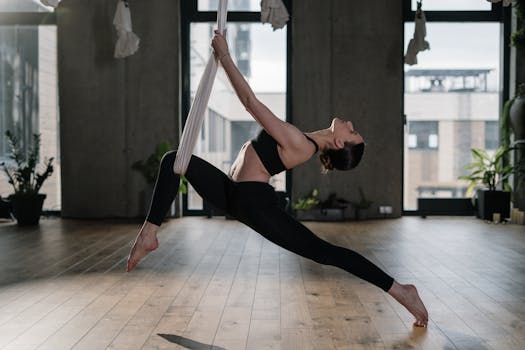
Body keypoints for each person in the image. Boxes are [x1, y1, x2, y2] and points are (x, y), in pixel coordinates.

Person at [127, 31, 429, 327]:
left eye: (351, 131)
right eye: (354, 128)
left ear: (339, 143)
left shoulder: (300, 143)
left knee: (325, 253)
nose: (350, 124)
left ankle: (401, 291)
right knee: (174, 161)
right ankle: (149, 234)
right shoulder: (304, 139)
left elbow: (249, 102)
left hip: (254, 204)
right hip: (233, 193)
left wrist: (225, 56)